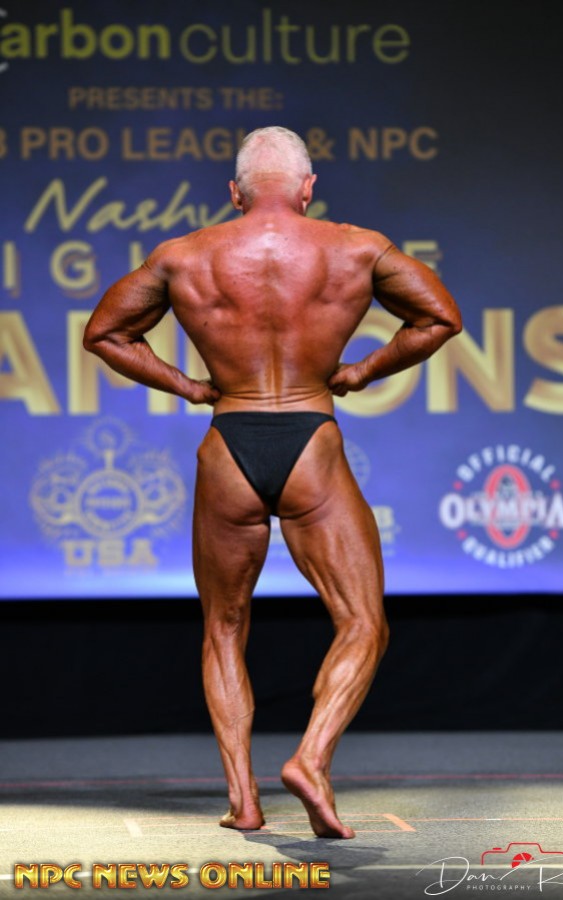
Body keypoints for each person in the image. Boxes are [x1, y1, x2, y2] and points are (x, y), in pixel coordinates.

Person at [83, 125, 461, 839]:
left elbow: (104, 333)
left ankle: (244, 801)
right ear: (308, 188)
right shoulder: (357, 248)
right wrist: (362, 371)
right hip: (311, 438)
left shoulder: (182, 255)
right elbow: (440, 318)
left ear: (235, 192)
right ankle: (311, 758)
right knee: (362, 621)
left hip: (229, 443)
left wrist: (189, 387)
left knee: (224, 628)